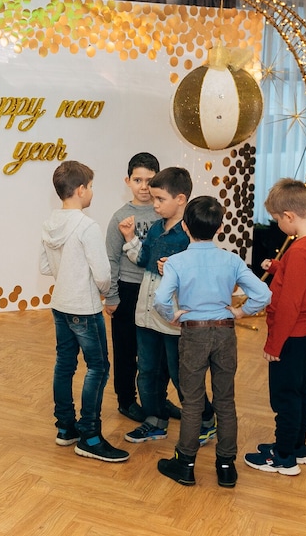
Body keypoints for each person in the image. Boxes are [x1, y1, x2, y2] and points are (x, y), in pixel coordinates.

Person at [153, 196, 271, 488]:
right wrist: (241, 312)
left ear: (185, 226)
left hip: (193, 333)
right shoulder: (231, 260)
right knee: (225, 400)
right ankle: (226, 466)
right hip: (224, 332)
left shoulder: (177, 262)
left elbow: (160, 299)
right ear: (219, 228)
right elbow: (263, 294)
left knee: (192, 402)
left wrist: (172, 316)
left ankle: (185, 464)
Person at [244, 179, 306, 476]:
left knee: (284, 396)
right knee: (300, 389)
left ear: (289, 216)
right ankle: (298, 447)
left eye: (276, 220)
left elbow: (289, 305)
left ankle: (283, 457)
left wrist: (274, 344)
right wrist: (280, 268)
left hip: (290, 335)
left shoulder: (299, 250)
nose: (278, 225)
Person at [119, 167, 216, 446]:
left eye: (160, 199)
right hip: (148, 316)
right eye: (154, 199)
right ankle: (155, 421)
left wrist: (178, 270)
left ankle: (205, 420)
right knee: (148, 370)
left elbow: (201, 277)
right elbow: (143, 259)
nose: (155, 204)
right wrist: (130, 238)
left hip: (175, 321)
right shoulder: (155, 229)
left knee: (181, 375)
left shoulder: (190, 236)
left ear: (181, 199)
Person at [41, 160, 129, 463]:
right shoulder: (87, 226)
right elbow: (103, 274)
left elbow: (44, 266)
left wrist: (66, 273)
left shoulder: (49, 223)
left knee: (64, 365)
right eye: (90, 187)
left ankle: (65, 428)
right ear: (80, 190)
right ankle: (90, 436)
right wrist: (105, 292)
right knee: (98, 367)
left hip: (60, 304)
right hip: (84, 308)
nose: (92, 192)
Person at [105, 151, 160, 422]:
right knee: (126, 350)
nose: (144, 187)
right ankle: (126, 400)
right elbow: (111, 259)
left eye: (150, 181)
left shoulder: (164, 212)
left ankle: (156, 399)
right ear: (128, 181)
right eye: (138, 180)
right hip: (128, 290)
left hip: (158, 290)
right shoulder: (120, 216)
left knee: (156, 351)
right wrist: (111, 296)